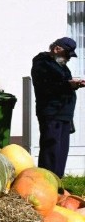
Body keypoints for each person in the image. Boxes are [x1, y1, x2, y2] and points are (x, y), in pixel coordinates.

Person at [31, 37, 85, 177]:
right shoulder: (42, 64)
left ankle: (58, 181)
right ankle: (46, 180)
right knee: (51, 148)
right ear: (57, 49)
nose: (68, 58)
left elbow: (62, 84)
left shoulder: (61, 65)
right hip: (51, 112)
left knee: (61, 149)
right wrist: (69, 85)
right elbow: (46, 87)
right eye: (67, 54)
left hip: (63, 112)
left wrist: (74, 84)